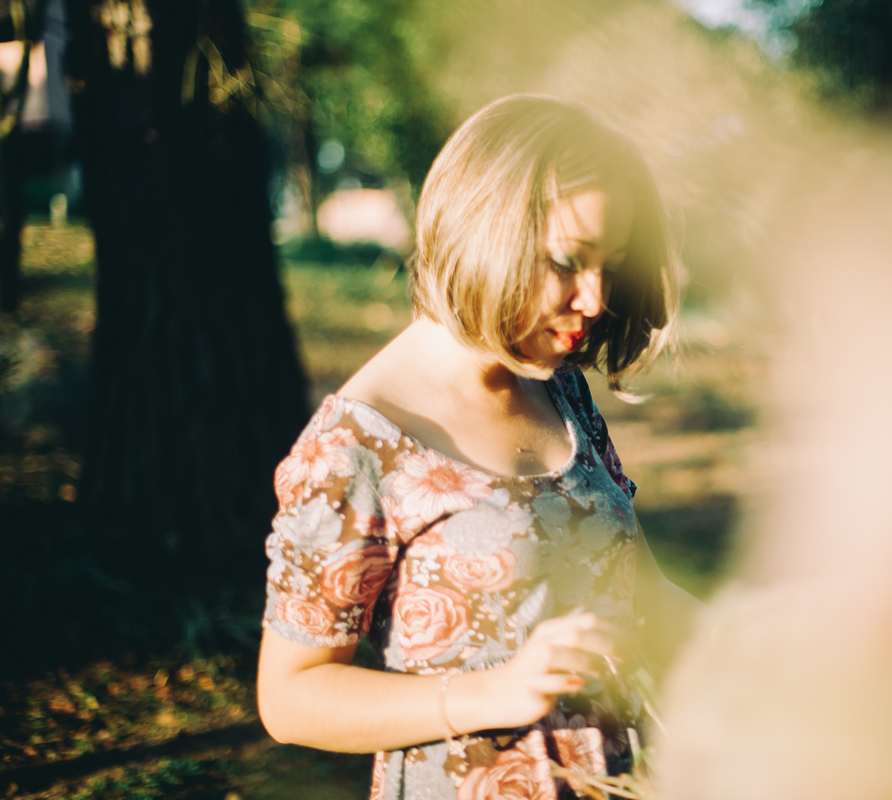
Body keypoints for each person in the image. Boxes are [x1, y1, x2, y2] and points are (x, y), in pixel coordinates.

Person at [257, 94, 701, 799]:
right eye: (568, 260)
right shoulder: (355, 447)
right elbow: (289, 700)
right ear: (482, 230)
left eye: (610, 266)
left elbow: (642, 591)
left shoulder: (562, 392)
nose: (594, 297)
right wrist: (494, 693)